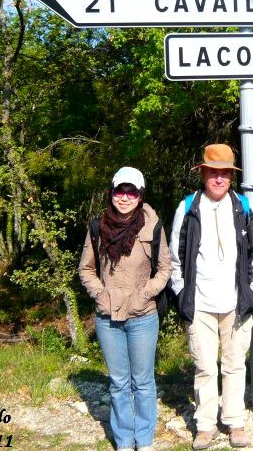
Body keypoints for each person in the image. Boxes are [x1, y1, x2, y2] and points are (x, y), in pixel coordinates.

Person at [168, 143, 253, 449]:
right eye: (213, 173)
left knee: (235, 365)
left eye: (224, 173)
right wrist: (182, 293)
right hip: (201, 303)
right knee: (205, 366)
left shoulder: (244, 207)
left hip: (236, 302)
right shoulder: (189, 206)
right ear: (203, 173)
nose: (219, 179)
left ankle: (235, 422)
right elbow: (175, 255)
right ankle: (205, 425)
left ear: (231, 177)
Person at [78, 166, 172, 451]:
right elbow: (86, 269)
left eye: (132, 191)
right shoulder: (97, 227)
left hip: (143, 316)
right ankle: (122, 440)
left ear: (140, 195)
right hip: (107, 318)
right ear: (112, 192)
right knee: (118, 382)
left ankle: (143, 440)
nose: (125, 197)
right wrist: (99, 294)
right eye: (120, 190)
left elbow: (165, 268)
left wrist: (146, 294)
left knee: (143, 382)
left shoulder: (153, 226)